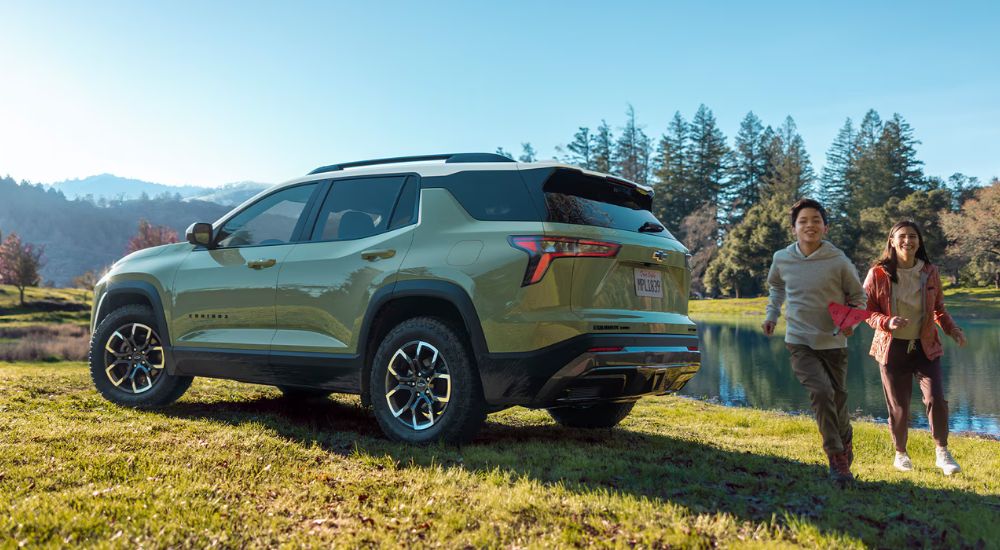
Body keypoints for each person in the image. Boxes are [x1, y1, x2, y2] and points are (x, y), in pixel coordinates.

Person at [762, 198, 866, 484]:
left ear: (826, 228)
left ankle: (845, 442)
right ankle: (837, 459)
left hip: (833, 343)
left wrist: (850, 322)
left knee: (839, 401)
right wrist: (772, 315)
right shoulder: (781, 258)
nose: (810, 225)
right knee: (821, 393)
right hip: (799, 340)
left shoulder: (839, 261)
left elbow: (858, 298)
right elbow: (776, 287)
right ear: (794, 228)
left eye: (816, 220)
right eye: (803, 221)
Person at [863, 221, 966, 475]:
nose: (907, 241)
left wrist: (953, 330)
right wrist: (887, 322)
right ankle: (901, 454)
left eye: (912, 236)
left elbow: (939, 309)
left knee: (936, 399)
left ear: (919, 242)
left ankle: (942, 453)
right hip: (891, 348)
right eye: (902, 236)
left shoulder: (930, 271)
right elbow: (865, 311)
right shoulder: (878, 273)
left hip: (925, 347)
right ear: (891, 241)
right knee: (898, 406)